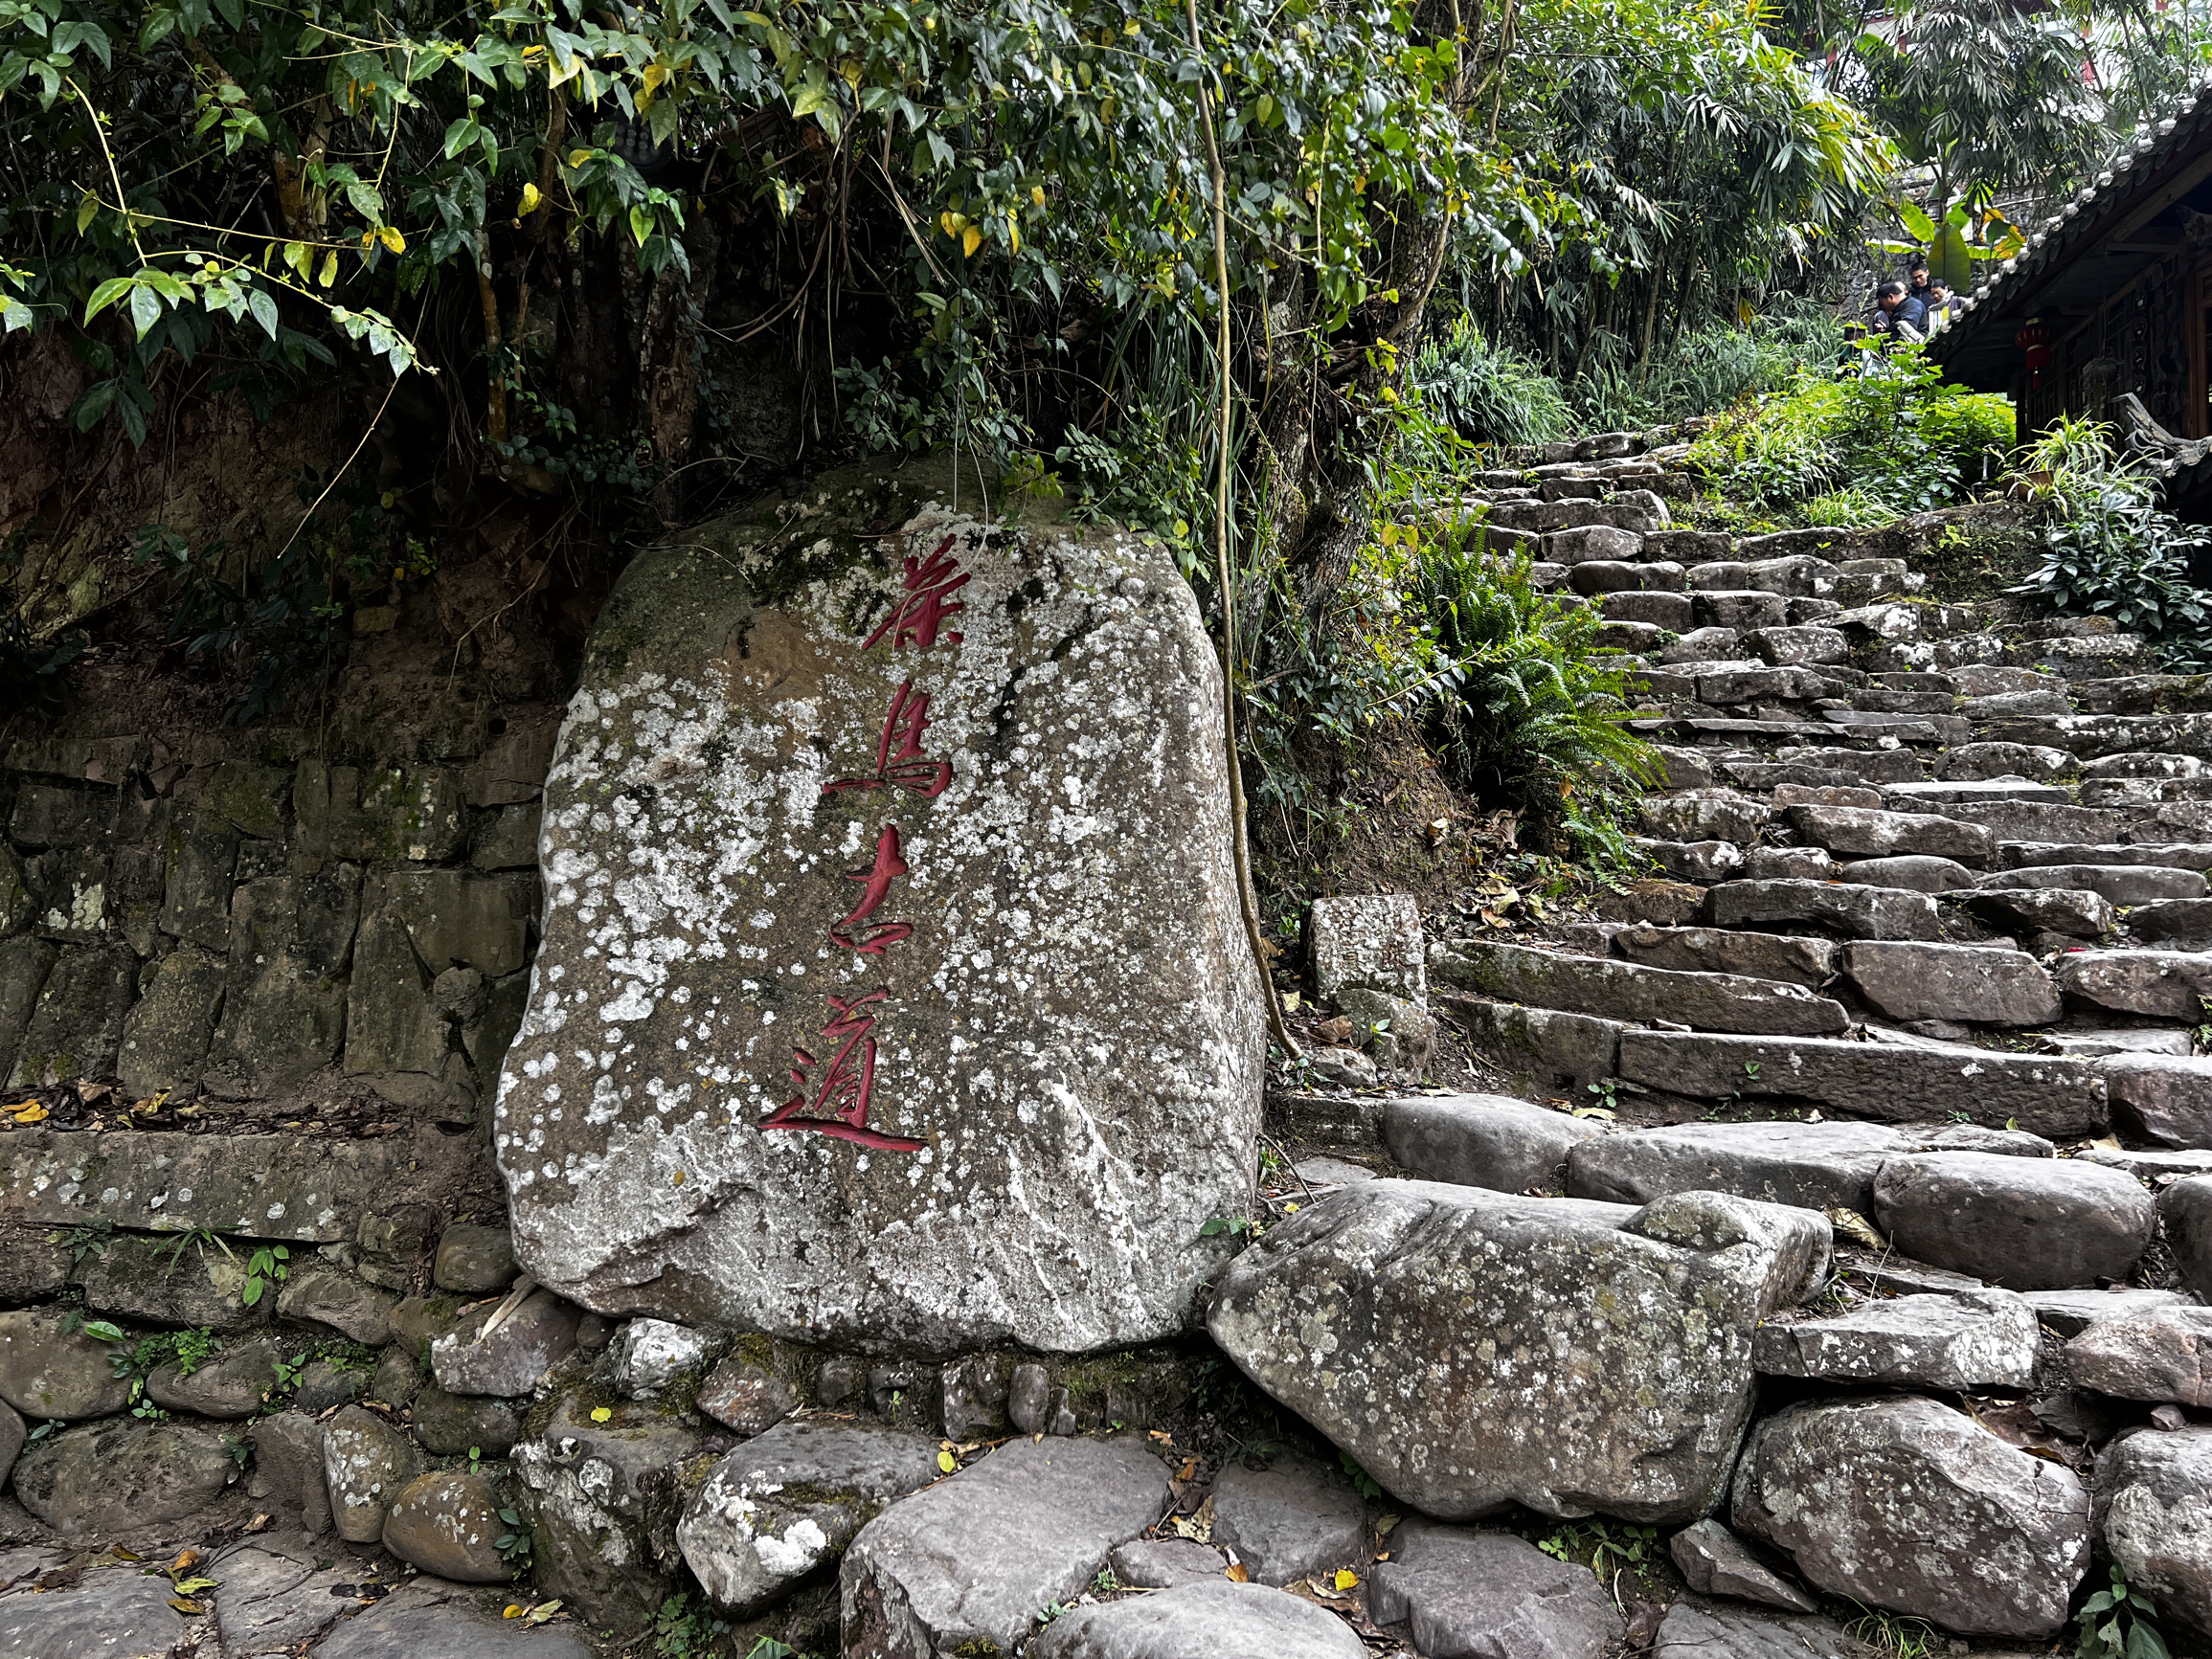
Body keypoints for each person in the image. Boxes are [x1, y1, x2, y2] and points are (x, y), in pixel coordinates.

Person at [1873, 279, 1927, 345]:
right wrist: (1885, 330)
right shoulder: (1901, 306)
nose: (1882, 306)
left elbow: (1907, 333)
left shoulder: (1912, 305)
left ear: (1891, 297)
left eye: (1882, 303)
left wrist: (1901, 349)